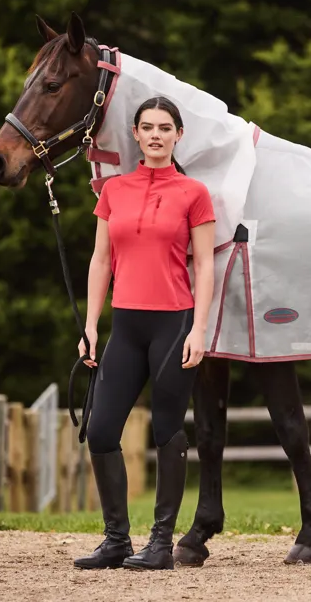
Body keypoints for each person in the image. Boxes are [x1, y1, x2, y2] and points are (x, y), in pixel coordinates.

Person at [73, 96, 215, 571]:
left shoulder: (194, 193)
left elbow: (207, 267)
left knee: (167, 431)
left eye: (165, 127)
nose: (156, 134)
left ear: (178, 136)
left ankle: (160, 544)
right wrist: (91, 326)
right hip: (126, 326)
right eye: (148, 127)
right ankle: (116, 540)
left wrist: (199, 329)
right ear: (135, 135)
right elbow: (100, 261)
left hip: (173, 324)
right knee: (100, 430)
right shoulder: (113, 190)